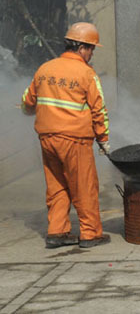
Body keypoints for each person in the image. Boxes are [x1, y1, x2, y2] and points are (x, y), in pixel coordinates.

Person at [21, 22, 111, 249]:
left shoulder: (45, 69)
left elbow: (27, 103)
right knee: (84, 186)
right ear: (82, 48)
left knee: (57, 186)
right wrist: (103, 140)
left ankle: (57, 232)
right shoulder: (86, 74)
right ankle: (90, 234)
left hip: (47, 139)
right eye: (91, 49)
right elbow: (99, 110)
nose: (92, 54)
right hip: (74, 140)